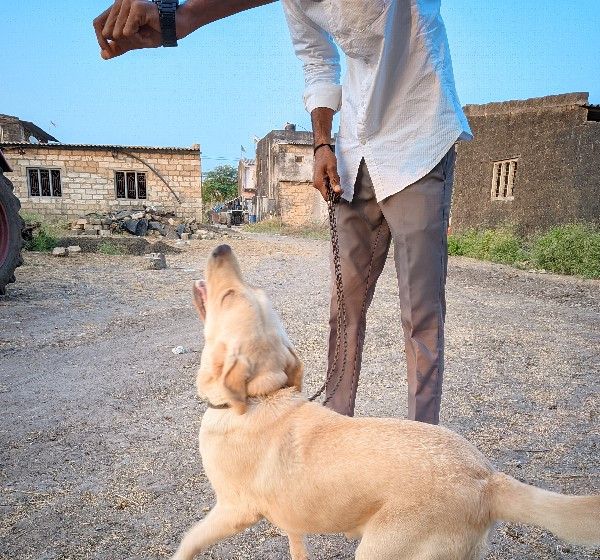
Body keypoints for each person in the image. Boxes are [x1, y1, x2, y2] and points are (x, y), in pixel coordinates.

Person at [94, 0, 471, 424]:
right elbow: (317, 59)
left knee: (420, 313)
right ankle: (334, 426)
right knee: (344, 307)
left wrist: (182, 17)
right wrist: (322, 144)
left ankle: (423, 441)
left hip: (418, 136)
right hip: (355, 146)